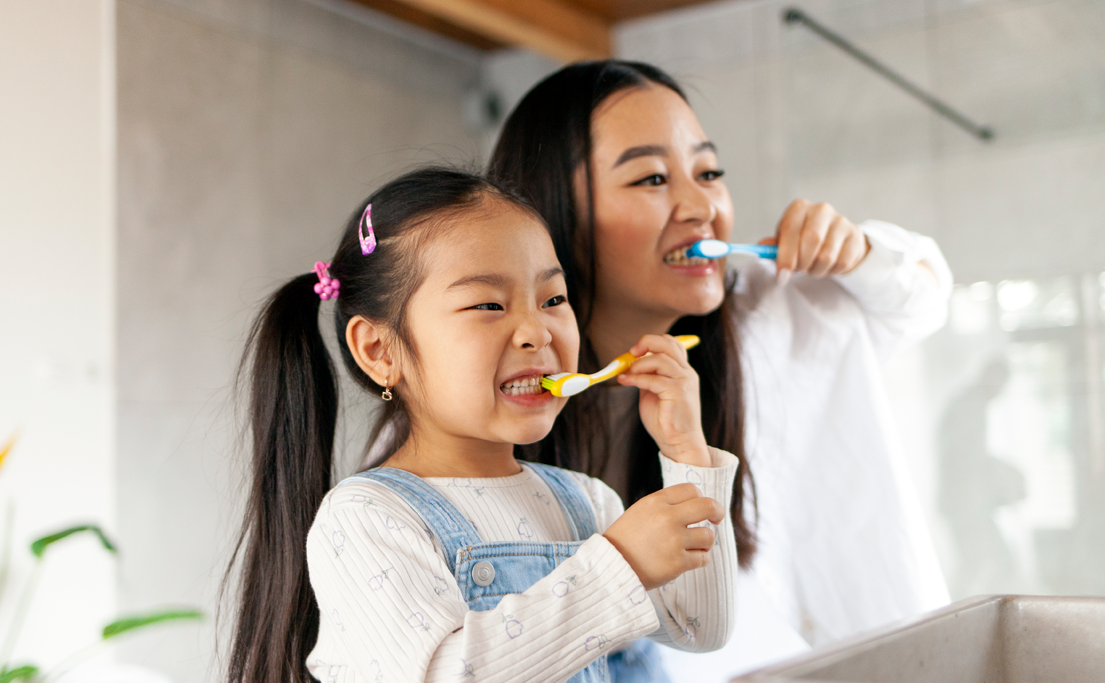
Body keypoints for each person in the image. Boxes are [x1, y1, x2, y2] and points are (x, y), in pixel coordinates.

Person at [487, 61, 953, 658]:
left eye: (708, 172)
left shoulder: (776, 303)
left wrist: (861, 252)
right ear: (553, 217)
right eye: (652, 179)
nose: (699, 204)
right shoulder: (506, 394)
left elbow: (923, 294)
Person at [224, 168, 738, 683]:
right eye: (488, 305)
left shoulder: (587, 502)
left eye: (553, 299)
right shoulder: (366, 518)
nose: (537, 331)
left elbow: (700, 627)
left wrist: (686, 451)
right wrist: (617, 568)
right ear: (379, 351)